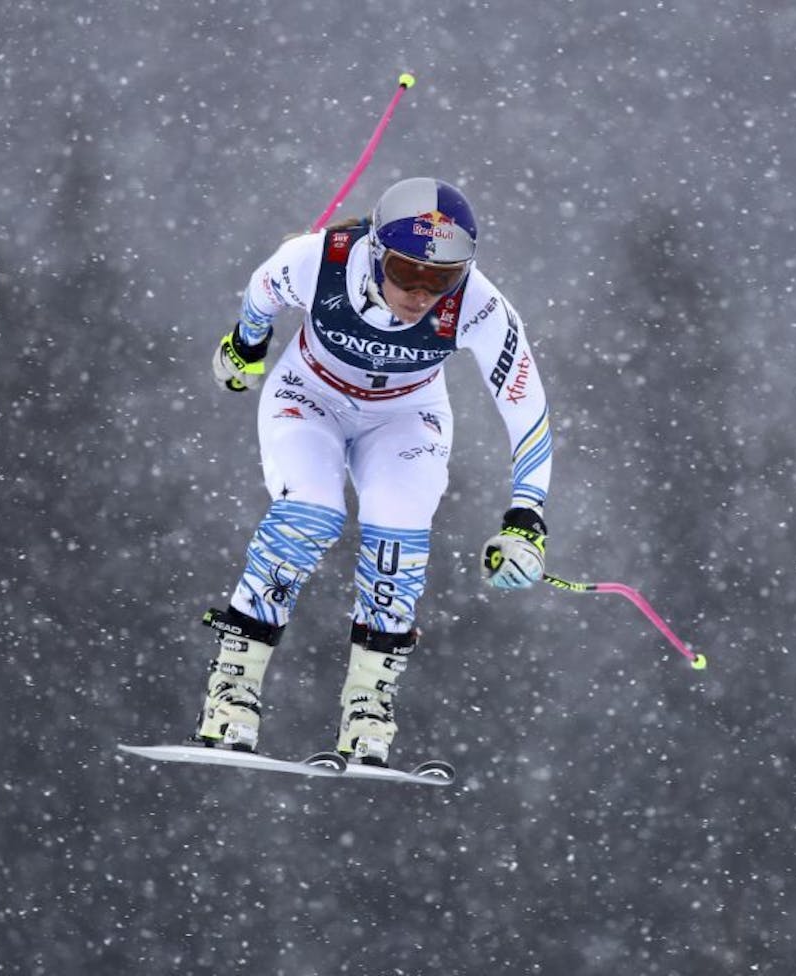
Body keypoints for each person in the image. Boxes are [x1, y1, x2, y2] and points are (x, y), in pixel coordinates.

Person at [192, 176, 553, 767]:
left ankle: (369, 706)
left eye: (440, 278)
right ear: (376, 250)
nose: (419, 294)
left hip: (406, 416)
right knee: (310, 512)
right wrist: (246, 346)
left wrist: (526, 519)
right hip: (309, 397)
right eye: (407, 272)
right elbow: (262, 291)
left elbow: (528, 413)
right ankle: (231, 693)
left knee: (397, 532)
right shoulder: (316, 259)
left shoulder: (481, 305)